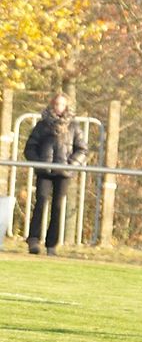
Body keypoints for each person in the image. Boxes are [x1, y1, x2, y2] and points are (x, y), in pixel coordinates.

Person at [23, 93, 87, 256]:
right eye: (56, 104)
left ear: (66, 107)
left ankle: (52, 244)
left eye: (62, 105)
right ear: (52, 105)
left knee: (58, 207)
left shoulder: (73, 126)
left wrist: (70, 164)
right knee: (41, 202)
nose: (59, 108)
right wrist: (38, 162)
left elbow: (82, 149)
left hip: (63, 173)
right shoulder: (42, 125)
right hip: (44, 171)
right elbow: (30, 147)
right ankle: (33, 240)